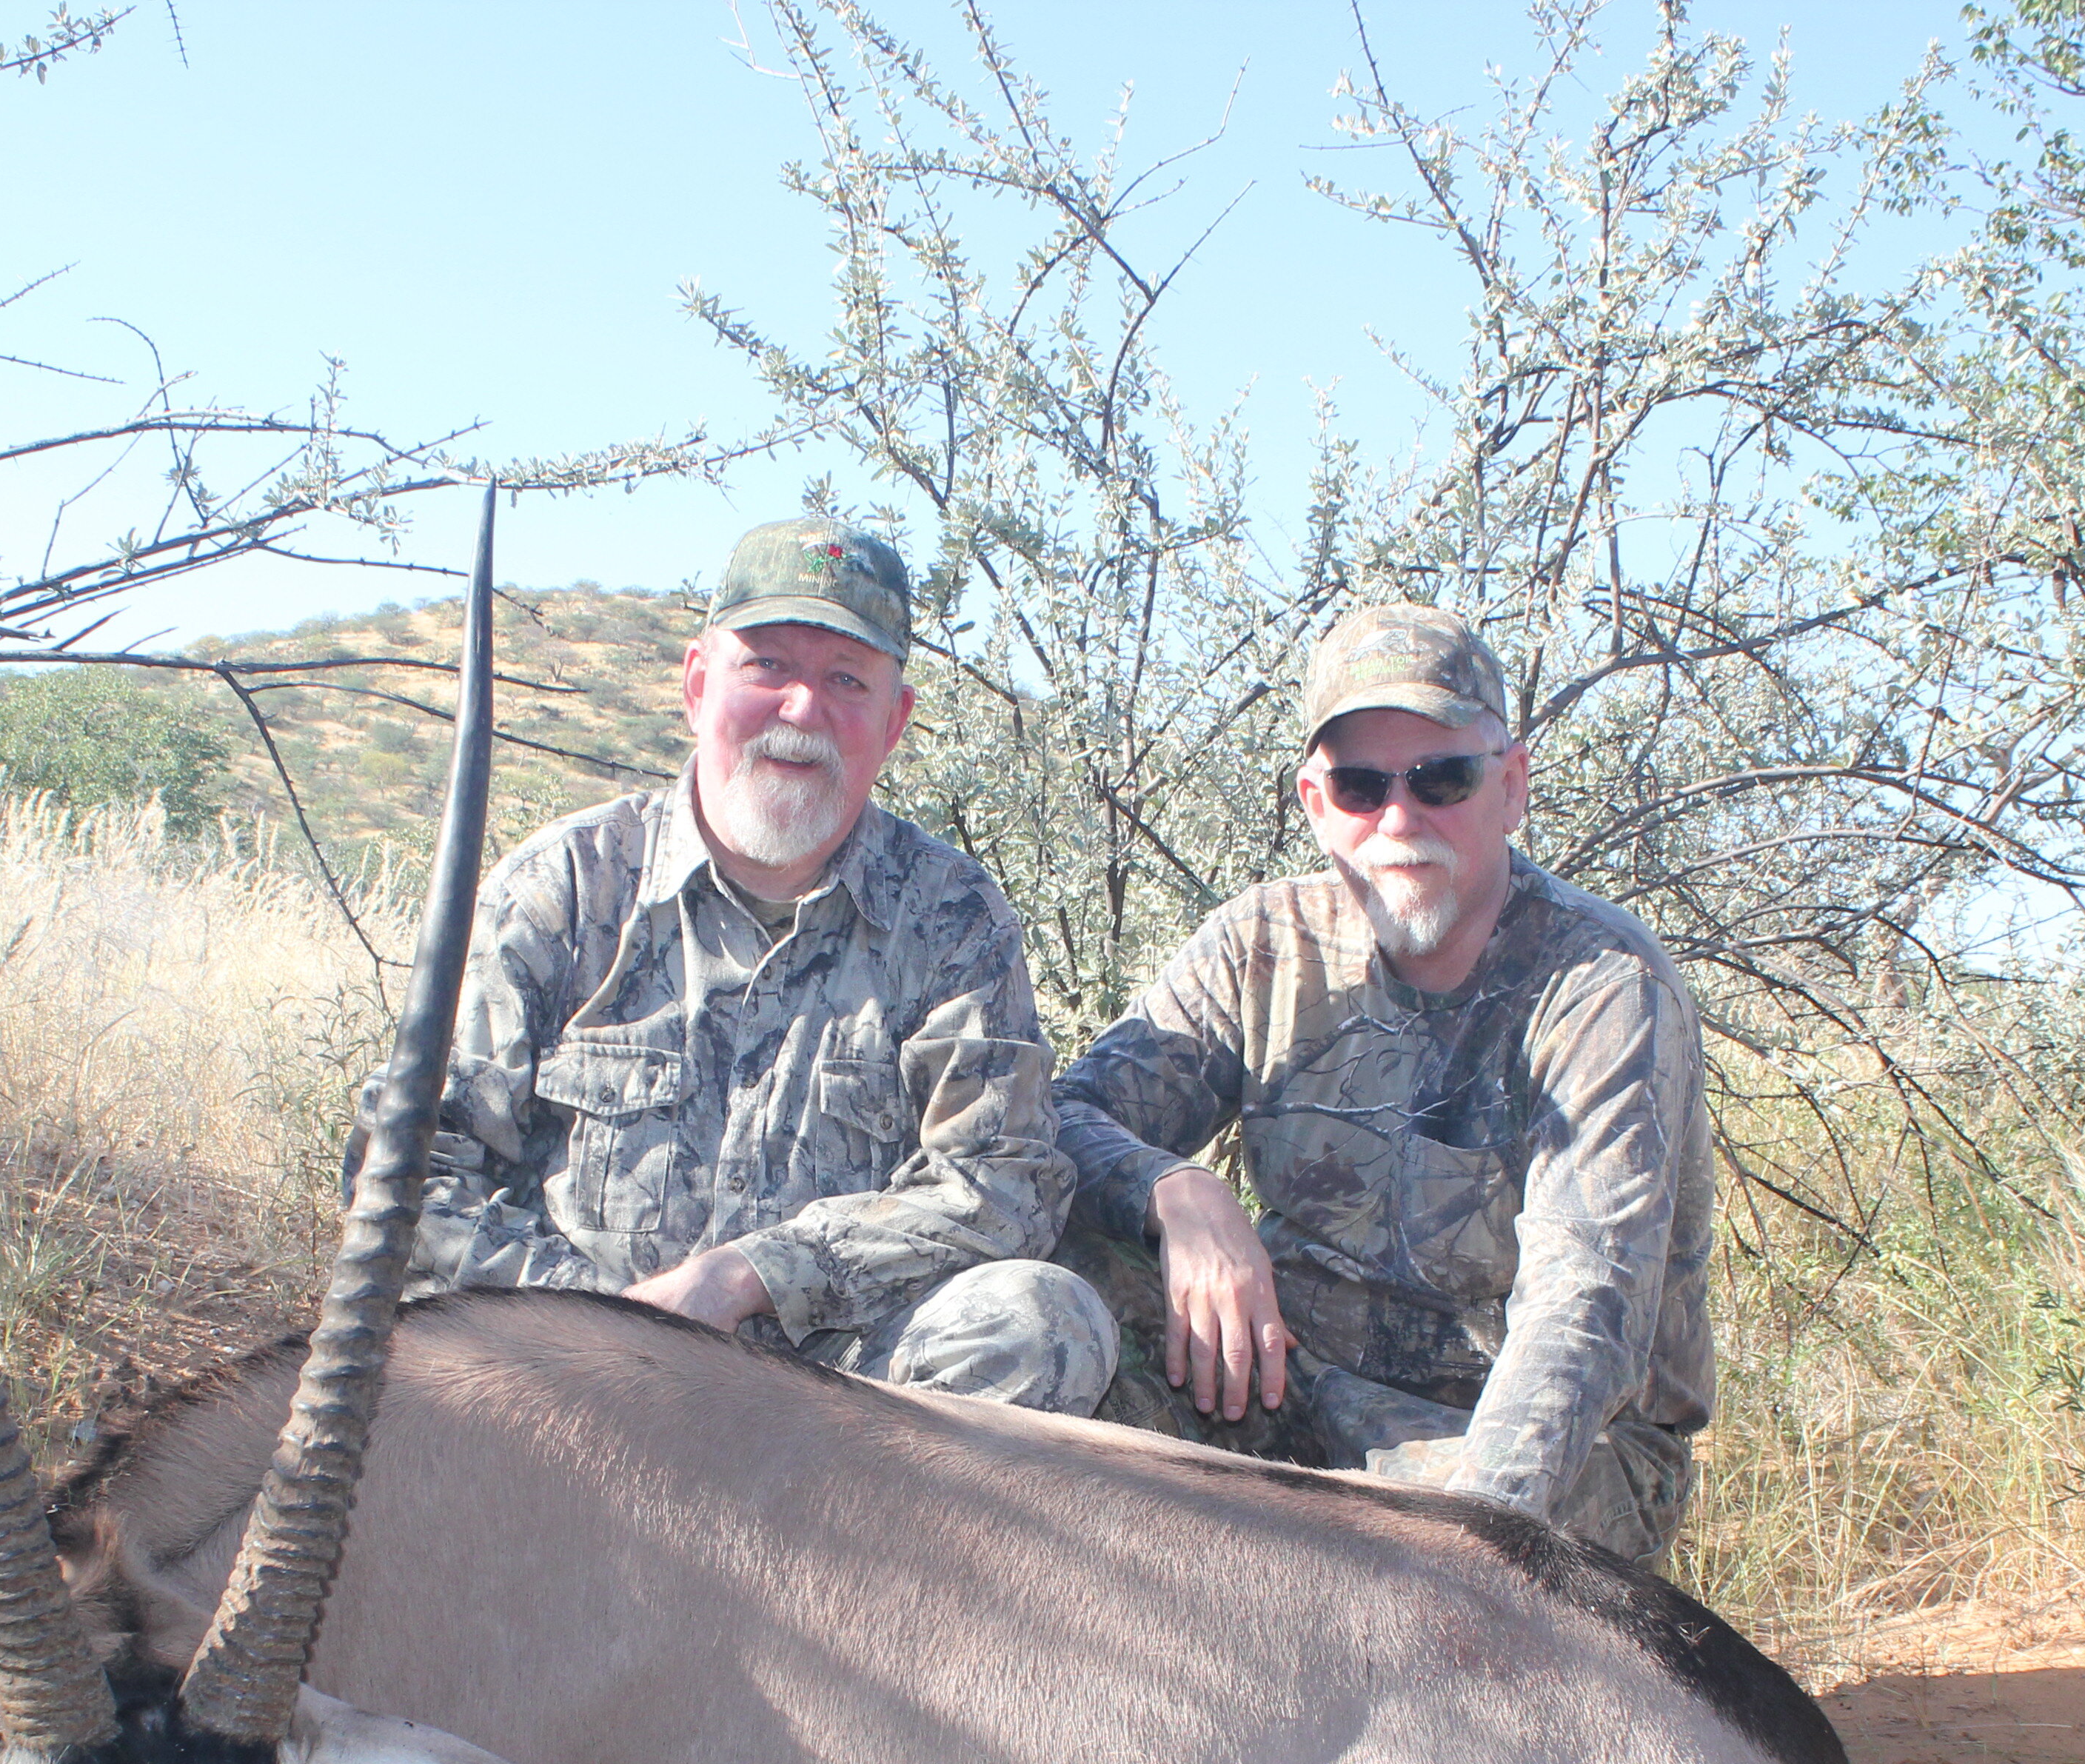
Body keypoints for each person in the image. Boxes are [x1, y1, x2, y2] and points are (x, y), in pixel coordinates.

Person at [401, 515, 1117, 1414]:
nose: (802, 710)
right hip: (568, 1379)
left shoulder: (953, 918)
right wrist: (602, 1325)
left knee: (1042, 1322)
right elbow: (416, 1173)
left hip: (823, 1414)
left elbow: (1001, 1182)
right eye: (768, 666)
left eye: (845, 680)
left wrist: (751, 1276)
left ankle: (841, 1558)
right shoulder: (562, 888)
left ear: (894, 724)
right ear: (699, 686)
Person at [1049, 602, 1716, 1565]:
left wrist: (1464, 1555)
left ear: (1512, 785)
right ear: (1318, 805)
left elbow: (1585, 1309)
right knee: (1049, 1277)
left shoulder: (1606, 988)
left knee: (1412, 1579)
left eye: (1442, 777)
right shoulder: (1262, 946)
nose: (1401, 819)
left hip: (1525, 1444)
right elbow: (1063, 1118)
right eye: (1363, 787)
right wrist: (1178, 1191)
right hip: (1293, 1393)